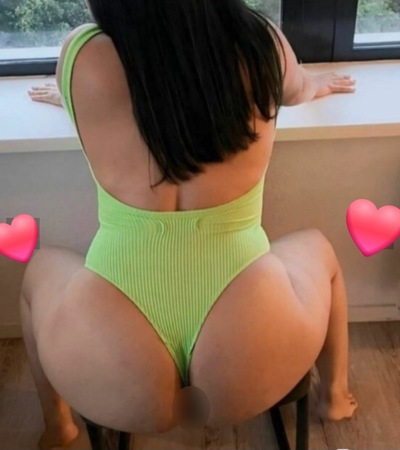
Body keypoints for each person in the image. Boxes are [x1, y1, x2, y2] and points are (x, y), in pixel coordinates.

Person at [22, 1, 357, 449]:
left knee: (37, 270)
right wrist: (315, 84)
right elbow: (296, 91)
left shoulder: (81, 55)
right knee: (320, 250)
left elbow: (106, 97)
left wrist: (68, 90)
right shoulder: (263, 45)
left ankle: (58, 426)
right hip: (250, 351)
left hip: (111, 363)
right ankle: (334, 399)